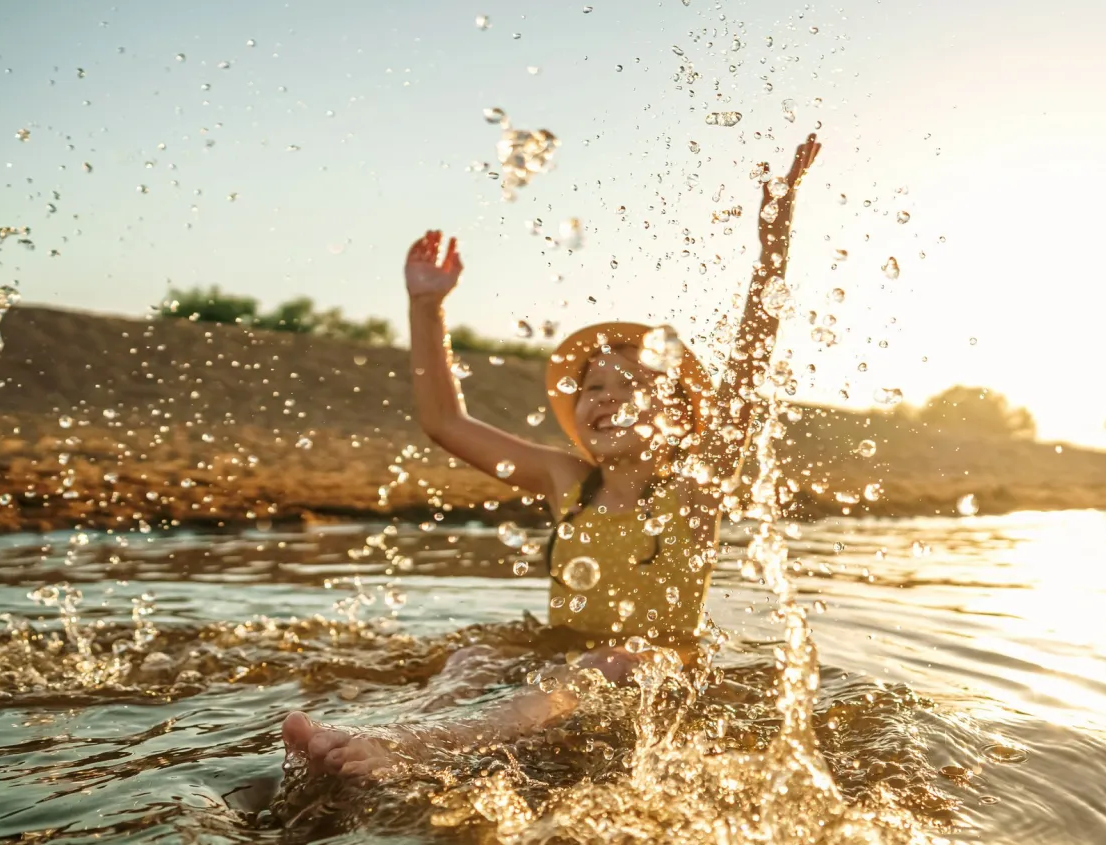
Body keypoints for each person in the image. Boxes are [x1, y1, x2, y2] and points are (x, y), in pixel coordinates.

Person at [282, 134, 822, 778]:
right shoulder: (568, 479)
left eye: (632, 386)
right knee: (474, 657)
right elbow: (445, 422)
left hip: (657, 665)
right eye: (593, 387)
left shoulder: (693, 488)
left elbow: (746, 377)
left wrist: (772, 249)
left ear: (679, 419)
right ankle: (386, 732)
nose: (605, 397)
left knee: (614, 660)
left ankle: (421, 749)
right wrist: (426, 308)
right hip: (561, 657)